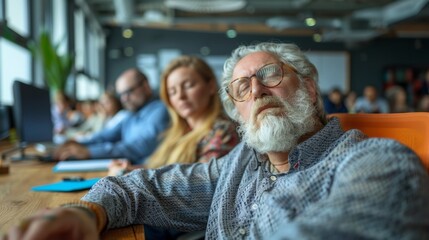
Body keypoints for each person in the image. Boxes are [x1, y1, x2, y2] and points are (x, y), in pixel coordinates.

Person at [7, 42, 429, 239]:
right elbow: (143, 187)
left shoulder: (377, 160)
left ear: (311, 90)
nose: (257, 91)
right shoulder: (241, 164)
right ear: (237, 111)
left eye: (270, 76)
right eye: (242, 88)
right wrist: (87, 214)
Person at [109, 55, 239, 176]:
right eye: (172, 92)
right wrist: (130, 169)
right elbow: (165, 171)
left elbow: (199, 182)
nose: (180, 96)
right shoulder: (178, 132)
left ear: (210, 86)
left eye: (188, 86)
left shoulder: (223, 132)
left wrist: (126, 174)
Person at [54, 68, 170, 164]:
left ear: (145, 86)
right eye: (121, 94)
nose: (124, 99)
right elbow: (106, 135)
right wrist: (76, 144)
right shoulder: (131, 114)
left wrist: (89, 152)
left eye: (128, 92)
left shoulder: (160, 110)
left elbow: (139, 146)